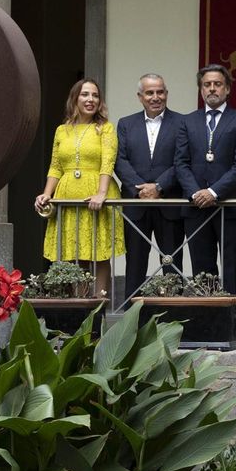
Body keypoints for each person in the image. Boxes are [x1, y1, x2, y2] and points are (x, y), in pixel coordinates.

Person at [35, 78, 125, 291]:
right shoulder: (61, 130)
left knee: (98, 254)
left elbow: (107, 162)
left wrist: (101, 193)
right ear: (75, 98)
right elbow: (56, 166)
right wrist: (46, 194)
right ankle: (81, 306)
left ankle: (99, 306)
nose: (90, 99)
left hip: (96, 193)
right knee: (75, 253)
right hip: (67, 194)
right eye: (85, 94)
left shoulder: (105, 128)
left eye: (95, 95)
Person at [175, 64, 236, 293]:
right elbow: (181, 162)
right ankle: (206, 319)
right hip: (195, 207)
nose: (212, 89)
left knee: (231, 265)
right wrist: (195, 193)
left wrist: (213, 192)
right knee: (202, 266)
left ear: (227, 89)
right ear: (201, 90)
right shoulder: (187, 121)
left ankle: (231, 320)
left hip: (229, 206)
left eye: (217, 84)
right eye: (206, 85)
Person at [114, 73, 184, 301]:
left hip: (169, 203)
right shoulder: (126, 124)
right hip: (136, 205)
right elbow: (120, 160)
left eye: (160, 91)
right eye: (150, 92)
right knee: (135, 263)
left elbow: (182, 160)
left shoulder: (182, 122)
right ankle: (131, 319)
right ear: (140, 96)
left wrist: (159, 187)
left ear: (166, 93)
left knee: (172, 263)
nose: (156, 97)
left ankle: (175, 317)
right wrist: (139, 189)